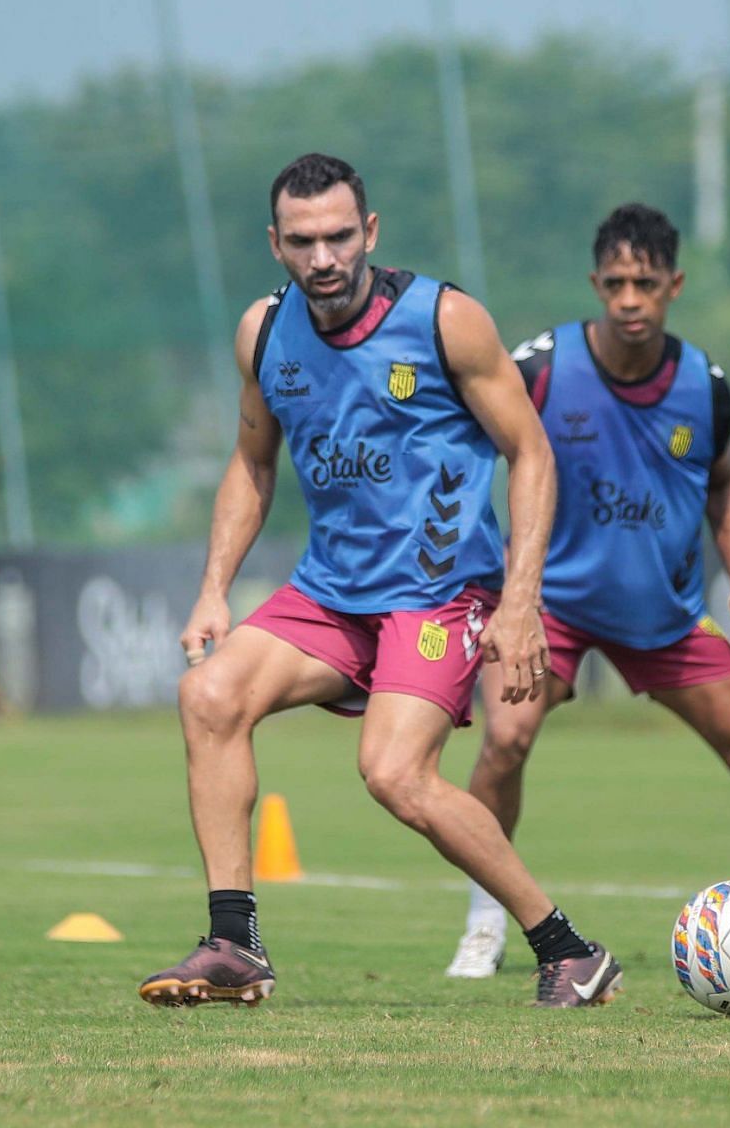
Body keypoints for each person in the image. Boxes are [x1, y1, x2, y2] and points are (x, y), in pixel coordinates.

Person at [136, 153, 621, 1008]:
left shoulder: (446, 320)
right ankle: (233, 944)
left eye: (336, 236)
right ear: (275, 244)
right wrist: (215, 586)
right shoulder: (264, 332)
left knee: (394, 773)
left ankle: (568, 949)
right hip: (331, 594)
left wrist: (519, 604)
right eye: (301, 240)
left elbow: (531, 452)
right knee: (209, 696)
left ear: (369, 232)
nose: (322, 257)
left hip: (438, 593)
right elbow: (252, 465)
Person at [444, 203, 730, 981]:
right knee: (503, 741)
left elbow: (725, 488)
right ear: (594, 284)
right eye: (615, 283)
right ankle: (483, 921)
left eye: (645, 283)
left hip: (664, 619)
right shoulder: (540, 366)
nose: (630, 299)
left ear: (673, 285)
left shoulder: (705, 385)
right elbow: (475, 451)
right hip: (553, 613)